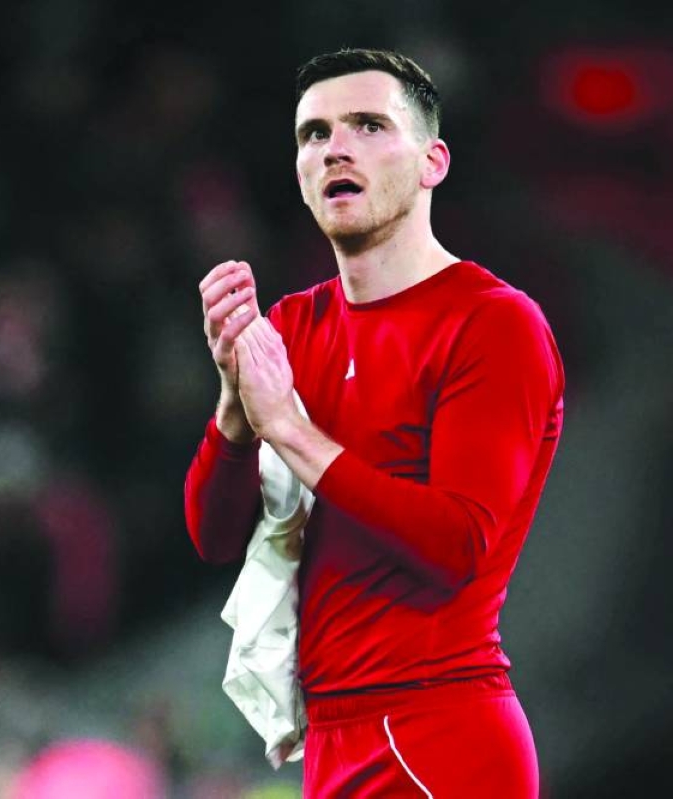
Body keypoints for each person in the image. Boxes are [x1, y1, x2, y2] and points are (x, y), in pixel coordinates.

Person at [184, 48, 563, 798]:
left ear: (433, 162)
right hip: (333, 736)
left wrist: (290, 428)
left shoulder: (492, 323)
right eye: (314, 134)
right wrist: (234, 408)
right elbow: (214, 537)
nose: (336, 149)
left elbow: (458, 542)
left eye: (367, 125)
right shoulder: (293, 325)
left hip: (439, 731)